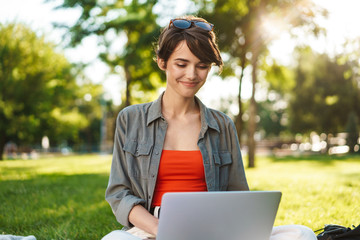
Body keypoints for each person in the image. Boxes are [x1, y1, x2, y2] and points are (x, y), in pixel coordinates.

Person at [102, 15, 317, 240]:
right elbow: (119, 193)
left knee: (302, 234)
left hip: (216, 230)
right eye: (181, 64)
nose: (192, 75)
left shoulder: (222, 125)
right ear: (162, 61)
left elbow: (238, 195)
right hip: (152, 230)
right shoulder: (131, 119)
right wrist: (162, 229)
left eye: (202, 66)